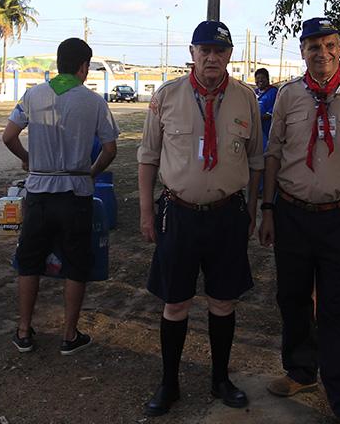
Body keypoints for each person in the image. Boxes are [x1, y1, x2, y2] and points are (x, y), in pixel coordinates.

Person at [260, 18, 340, 424]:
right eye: (313, 46)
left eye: (330, 45)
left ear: (339, 47)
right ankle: (301, 372)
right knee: (292, 298)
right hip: (292, 214)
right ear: (302, 51)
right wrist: (267, 209)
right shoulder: (287, 96)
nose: (323, 53)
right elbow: (273, 154)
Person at [138, 21, 263, 417]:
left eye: (220, 51)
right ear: (192, 53)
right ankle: (169, 383)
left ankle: (220, 379)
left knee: (223, 302)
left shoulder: (245, 99)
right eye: (204, 50)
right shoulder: (167, 96)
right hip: (179, 214)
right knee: (175, 302)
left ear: (230, 55)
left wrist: (253, 211)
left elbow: (256, 161)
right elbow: (148, 157)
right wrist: (146, 212)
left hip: (227, 215)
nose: (212, 57)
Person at [3, 38, 119, 356]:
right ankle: (69, 335)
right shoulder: (94, 102)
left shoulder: (32, 95)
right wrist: (91, 172)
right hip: (75, 193)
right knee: (76, 264)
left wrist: (28, 159)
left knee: (29, 262)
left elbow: (8, 136)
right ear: (84, 66)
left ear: (58, 63)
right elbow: (110, 149)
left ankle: (23, 331)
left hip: (38, 192)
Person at [254, 68, 278, 151]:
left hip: (267, 129)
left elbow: (274, 111)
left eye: (262, 78)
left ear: (267, 79)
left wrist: (257, 118)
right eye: (257, 78)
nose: (260, 80)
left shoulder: (274, 92)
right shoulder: (254, 92)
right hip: (256, 129)